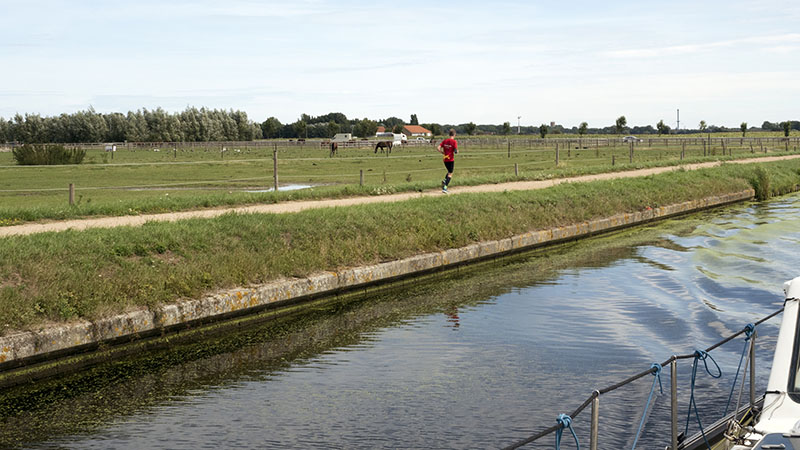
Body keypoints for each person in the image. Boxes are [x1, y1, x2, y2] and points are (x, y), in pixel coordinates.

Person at [437, 129, 458, 193]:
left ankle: (445, 180)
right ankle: (445, 187)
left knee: (449, 171)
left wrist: (442, 152)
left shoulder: (445, 141)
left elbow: (438, 148)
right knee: (450, 173)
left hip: (445, 159)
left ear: (449, 134)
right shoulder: (454, 141)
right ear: (454, 135)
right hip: (451, 159)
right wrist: (456, 151)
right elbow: (455, 151)